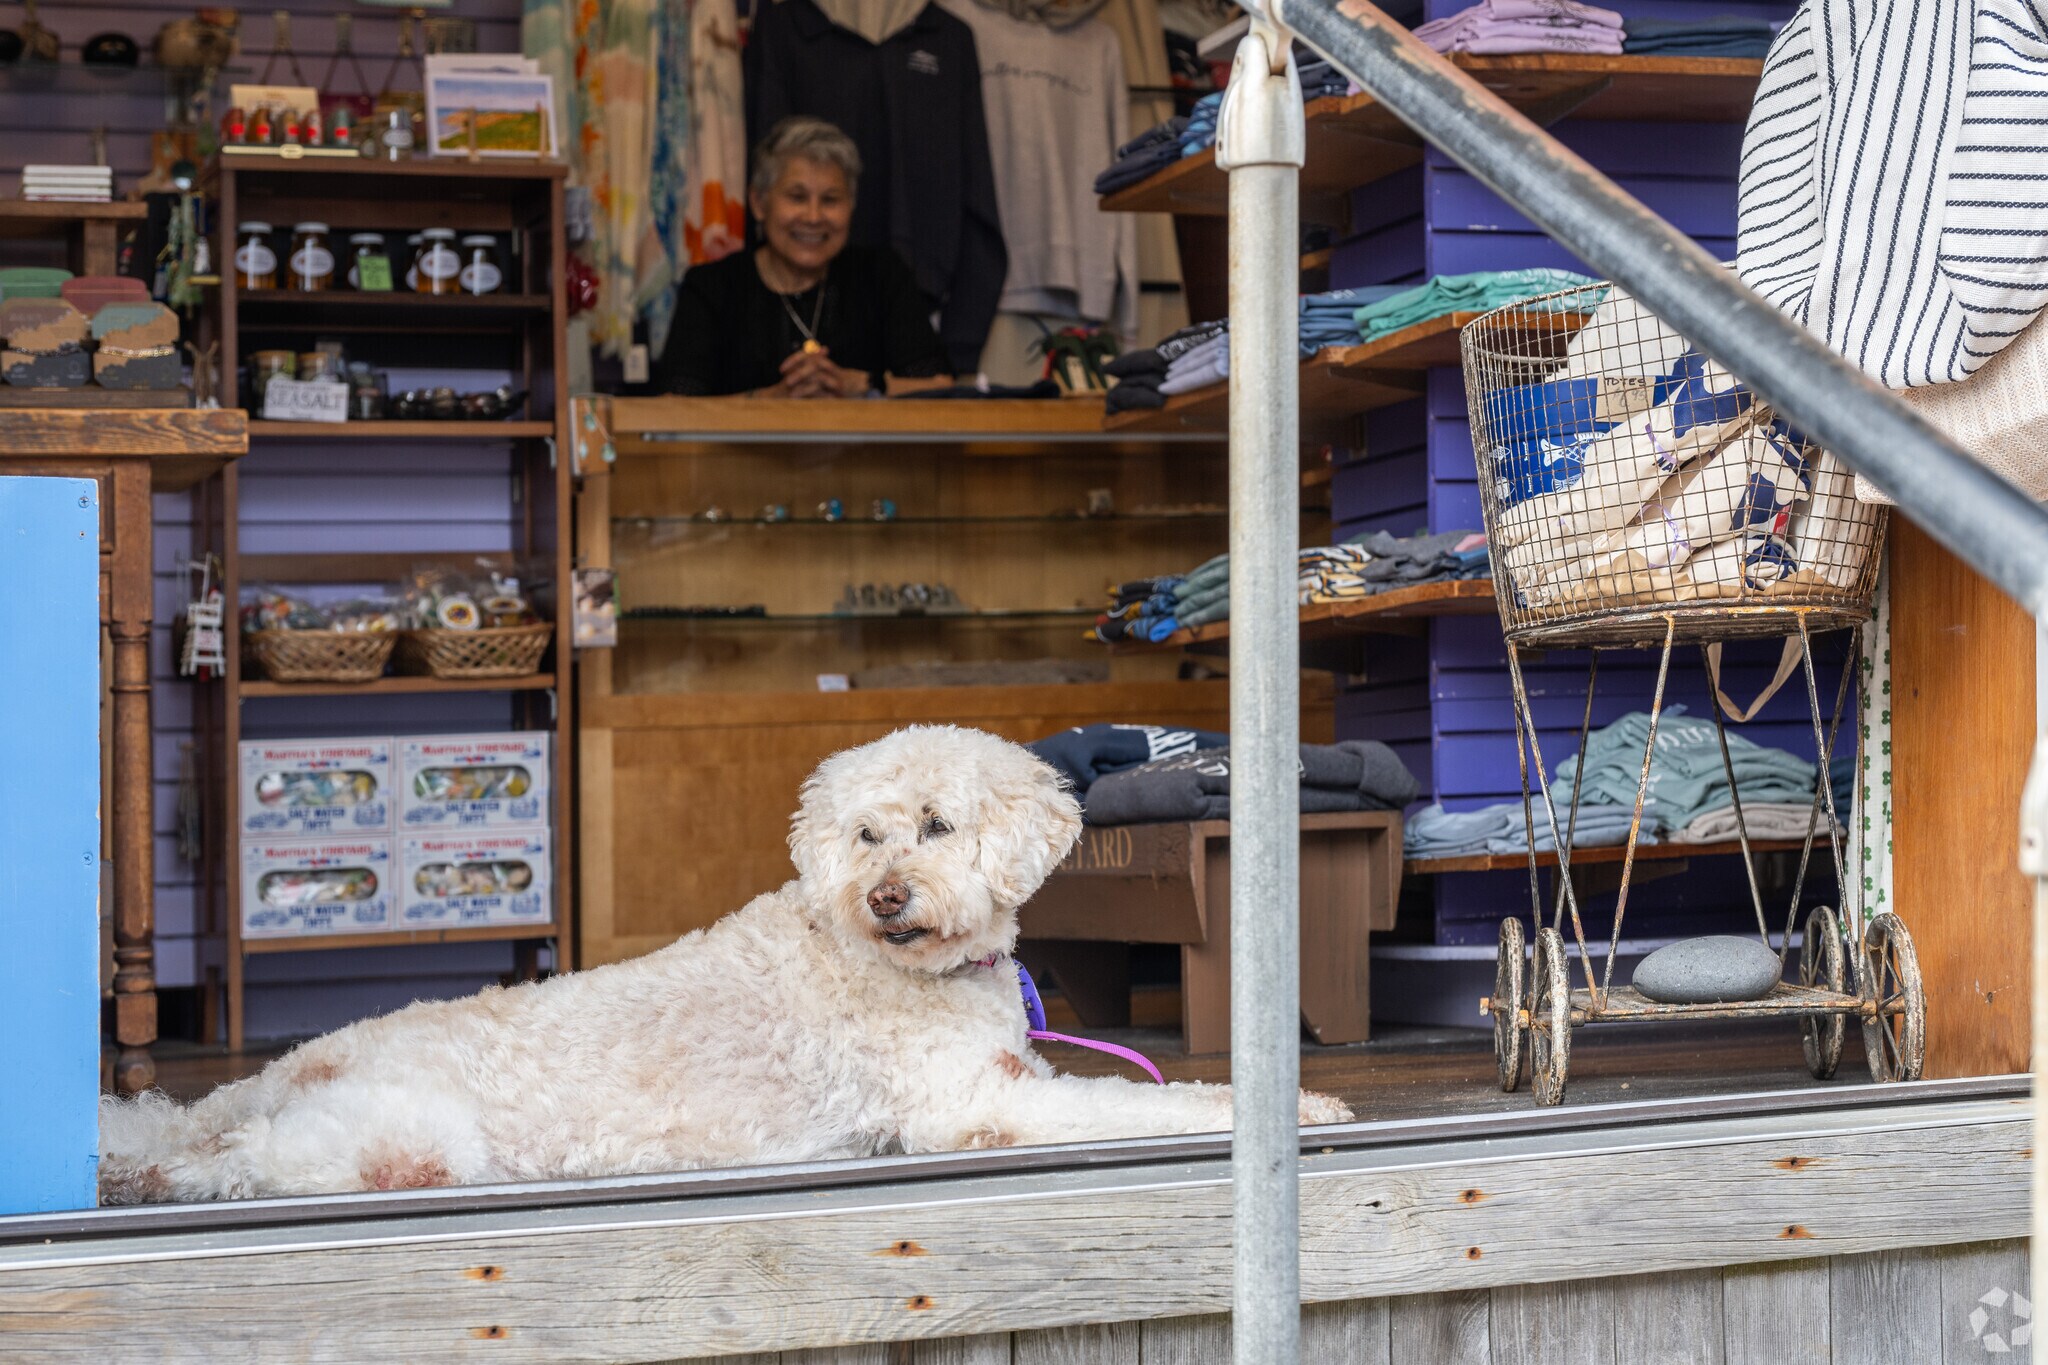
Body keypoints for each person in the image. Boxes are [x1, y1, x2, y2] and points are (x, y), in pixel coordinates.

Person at [653, 117, 952, 398]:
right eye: (797, 197)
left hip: (865, 454)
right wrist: (773, 400)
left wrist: (861, 386)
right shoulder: (712, 287)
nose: (813, 217)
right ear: (759, 203)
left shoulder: (881, 275)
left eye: (830, 200)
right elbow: (675, 404)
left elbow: (939, 386)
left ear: (851, 206)